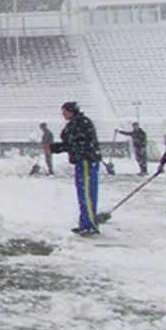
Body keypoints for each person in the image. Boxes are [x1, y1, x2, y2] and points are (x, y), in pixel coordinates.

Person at [49, 101, 102, 236]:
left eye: (65, 111)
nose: (63, 114)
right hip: (82, 161)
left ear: (71, 111)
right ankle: (84, 222)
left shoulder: (81, 123)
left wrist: (55, 148)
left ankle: (90, 225)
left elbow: (74, 144)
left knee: (87, 194)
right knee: (83, 194)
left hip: (86, 160)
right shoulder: (76, 123)